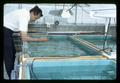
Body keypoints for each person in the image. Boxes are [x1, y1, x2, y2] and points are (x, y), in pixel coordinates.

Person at [4, 5, 48, 79]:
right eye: (35, 18)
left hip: (7, 30)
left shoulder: (24, 13)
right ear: (33, 13)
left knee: (13, 51)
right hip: (5, 31)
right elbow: (24, 38)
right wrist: (40, 40)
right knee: (8, 55)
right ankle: (11, 77)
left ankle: (13, 70)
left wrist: (31, 34)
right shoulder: (25, 17)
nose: (34, 20)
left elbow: (20, 30)